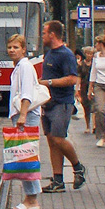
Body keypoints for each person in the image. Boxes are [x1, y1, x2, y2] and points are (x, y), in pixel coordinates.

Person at [39, 20, 86, 193]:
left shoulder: (66, 54)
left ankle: (78, 166)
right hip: (48, 104)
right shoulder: (50, 53)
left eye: (44, 32)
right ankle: (58, 179)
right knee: (52, 141)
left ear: (52, 34)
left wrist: (48, 82)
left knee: (59, 138)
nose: (42, 36)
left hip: (62, 103)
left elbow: (72, 78)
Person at [7, 33, 42, 209]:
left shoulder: (25, 67)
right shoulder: (20, 66)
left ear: (23, 49)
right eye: (10, 47)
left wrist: (22, 115)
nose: (12, 50)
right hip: (23, 115)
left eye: (16, 47)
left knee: (26, 156)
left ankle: (32, 199)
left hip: (26, 115)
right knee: (24, 156)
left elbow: (27, 92)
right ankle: (30, 197)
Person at [76, 47, 93, 134]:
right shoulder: (81, 65)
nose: (89, 55)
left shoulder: (95, 64)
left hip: (93, 86)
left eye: (91, 54)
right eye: (87, 53)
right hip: (84, 86)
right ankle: (88, 125)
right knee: (86, 106)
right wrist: (77, 89)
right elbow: (79, 77)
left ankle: (95, 125)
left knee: (95, 106)